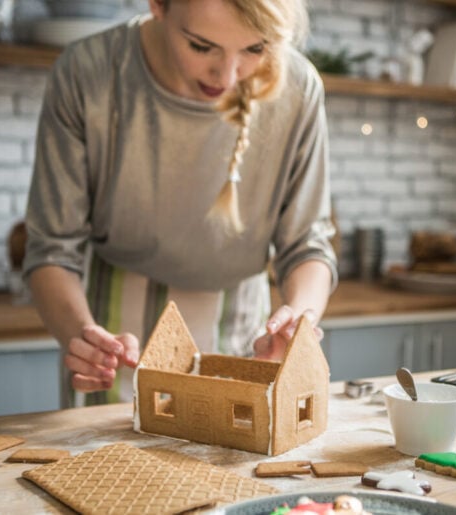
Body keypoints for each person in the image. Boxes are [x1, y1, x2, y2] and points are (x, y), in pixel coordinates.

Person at [23, 0, 337, 406]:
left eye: (255, 49)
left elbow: (308, 244)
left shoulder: (299, 89)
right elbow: (51, 248)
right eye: (201, 46)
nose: (227, 76)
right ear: (158, 6)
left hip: (243, 332)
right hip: (117, 340)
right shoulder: (88, 72)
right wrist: (82, 336)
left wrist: (300, 319)